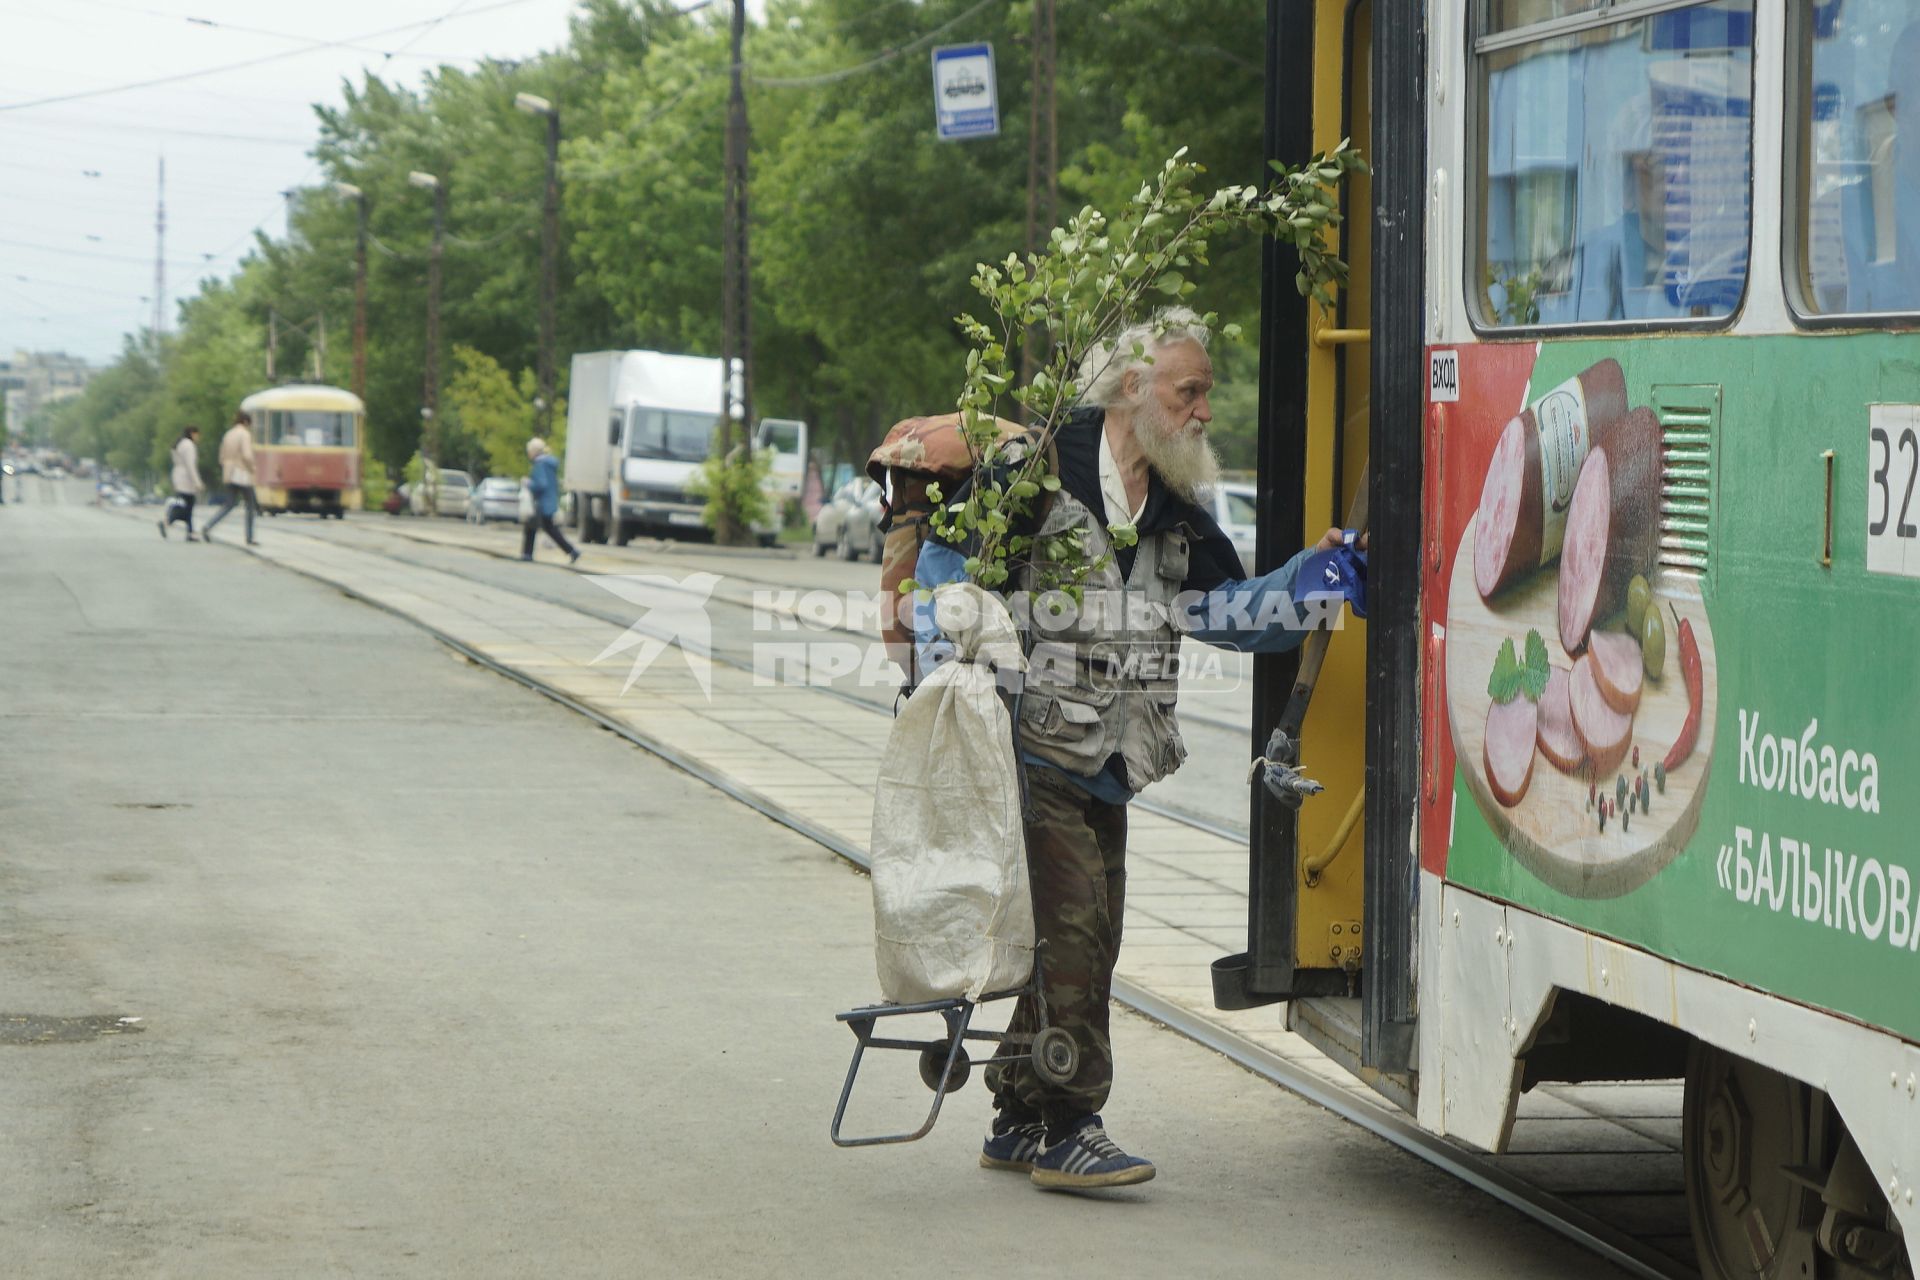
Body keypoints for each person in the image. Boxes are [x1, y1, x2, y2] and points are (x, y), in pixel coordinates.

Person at [913, 307, 1356, 1192]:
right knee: (1076, 934)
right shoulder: (1034, 474)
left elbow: (1228, 617)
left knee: (1083, 936)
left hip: (1110, 767)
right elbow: (941, 568)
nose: (1203, 412)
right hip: (1029, 754)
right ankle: (1073, 1121)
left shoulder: (1178, 512)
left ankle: (1015, 1109)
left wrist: (1314, 579)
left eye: (1204, 395)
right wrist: (956, 642)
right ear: (1130, 390)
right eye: (1188, 392)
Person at [202, 411, 259, 545]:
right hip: (242, 474)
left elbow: (221, 457)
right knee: (250, 505)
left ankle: (208, 526)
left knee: (229, 504)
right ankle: (249, 537)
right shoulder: (244, 434)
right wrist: (252, 468)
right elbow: (246, 454)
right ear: (246, 422)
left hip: (229, 473)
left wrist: (227, 467)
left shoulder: (228, 434)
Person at [521, 437, 579, 565]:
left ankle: (527, 554)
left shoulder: (540, 465)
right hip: (548, 501)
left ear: (535, 451)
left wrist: (529, 483)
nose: (528, 453)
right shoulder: (548, 464)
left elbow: (541, 484)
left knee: (531, 527)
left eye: (529, 451)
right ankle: (572, 551)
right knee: (549, 529)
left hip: (541, 503)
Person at [158, 426, 204, 541]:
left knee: (187, 506)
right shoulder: (189, 445)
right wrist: (197, 482)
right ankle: (167, 522)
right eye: (197, 434)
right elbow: (190, 465)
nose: (198, 438)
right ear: (193, 434)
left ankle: (190, 533)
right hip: (186, 479)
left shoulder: (180, 443)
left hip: (178, 476)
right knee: (185, 506)